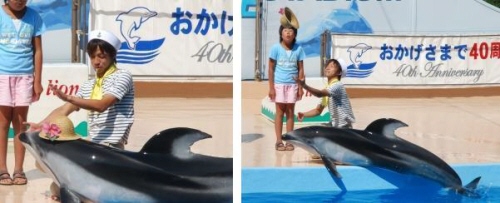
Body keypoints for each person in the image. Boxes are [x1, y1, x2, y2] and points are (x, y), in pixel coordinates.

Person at [27, 30, 134, 201]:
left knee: (101, 192)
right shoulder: (90, 84)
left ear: (113, 55)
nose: (96, 61)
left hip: (113, 144)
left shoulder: (122, 76)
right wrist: (40, 125)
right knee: (57, 187)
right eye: (92, 57)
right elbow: (64, 110)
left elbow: (102, 105)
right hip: (94, 143)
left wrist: (70, 97)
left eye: (101, 56)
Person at [0, 0, 45, 185]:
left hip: (25, 76)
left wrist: (37, 80)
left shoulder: (34, 16)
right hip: (2, 75)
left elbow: (38, 51)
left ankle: (19, 170)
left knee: (20, 123)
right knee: (2, 123)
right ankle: (2, 169)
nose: (19, 0)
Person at [268, 7, 305, 151]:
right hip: (279, 84)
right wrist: (271, 87)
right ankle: (278, 140)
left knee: (290, 112)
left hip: (293, 85)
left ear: (295, 34)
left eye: (291, 30)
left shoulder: (299, 49)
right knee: (279, 112)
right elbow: (271, 68)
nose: (288, 32)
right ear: (281, 33)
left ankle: (290, 140)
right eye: (285, 30)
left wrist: (301, 87)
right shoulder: (275, 48)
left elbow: (301, 68)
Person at [295, 58, 355, 129]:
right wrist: (304, 114)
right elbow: (318, 110)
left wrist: (304, 86)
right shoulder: (328, 88)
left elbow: (319, 94)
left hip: (344, 127)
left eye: (332, 66)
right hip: (335, 125)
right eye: (327, 66)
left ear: (339, 72)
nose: (328, 68)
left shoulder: (338, 85)